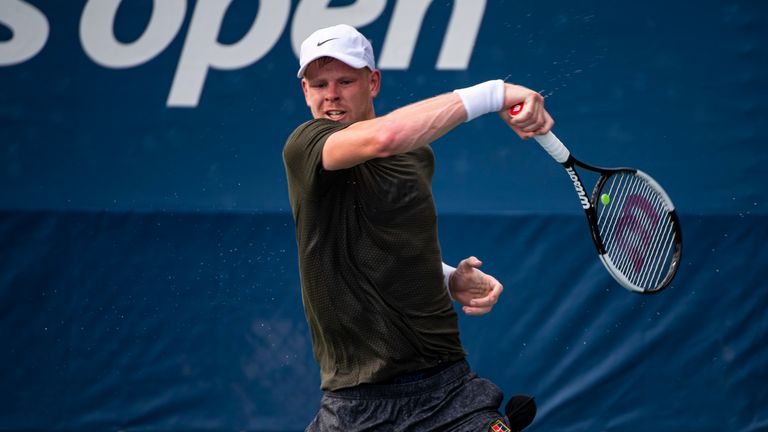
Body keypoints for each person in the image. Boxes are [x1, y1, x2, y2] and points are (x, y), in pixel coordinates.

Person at [283, 24, 553, 431]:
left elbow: (391, 240)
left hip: (449, 391)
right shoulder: (306, 144)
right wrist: (495, 93)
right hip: (355, 405)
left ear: (372, 82)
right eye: (319, 84)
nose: (331, 94)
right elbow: (385, 136)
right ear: (305, 91)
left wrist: (446, 280)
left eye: (344, 80)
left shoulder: (416, 157)